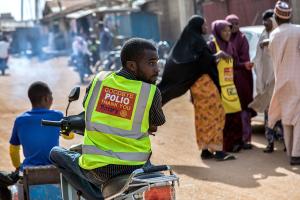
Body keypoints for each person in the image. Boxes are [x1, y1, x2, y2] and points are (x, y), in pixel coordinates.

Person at [50, 38, 166, 200]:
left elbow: (87, 107)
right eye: (151, 63)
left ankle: (96, 197)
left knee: (55, 153)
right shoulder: (151, 92)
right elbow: (156, 122)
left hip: (99, 170)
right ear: (132, 66)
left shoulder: (99, 80)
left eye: (156, 63)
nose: (156, 69)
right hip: (137, 166)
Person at [158, 16, 235, 161]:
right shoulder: (198, 41)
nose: (206, 27)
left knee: (202, 116)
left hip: (196, 86)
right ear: (198, 26)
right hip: (206, 85)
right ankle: (217, 150)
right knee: (215, 115)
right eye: (204, 24)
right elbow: (204, 62)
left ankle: (205, 149)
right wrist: (218, 55)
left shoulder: (187, 41)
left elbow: (197, 62)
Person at [9, 81, 73, 172]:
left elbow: (13, 149)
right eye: (51, 95)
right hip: (53, 170)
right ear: (46, 98)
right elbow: (69, 136)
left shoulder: (20, 120)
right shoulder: (57, 116)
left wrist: (17, 167)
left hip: (29, 171)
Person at [268, 1, 300, 165]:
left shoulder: (273, 35)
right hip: (298, 80)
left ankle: (291, 154)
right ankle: (296, 153)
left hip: (282, 82)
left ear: (276, 17)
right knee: (299, 118)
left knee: (287, 119)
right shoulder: (298, 30)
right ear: (290, 16)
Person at [249, 10, 283, 153]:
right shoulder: (263, 35)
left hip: (280, 80)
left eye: (267, 21)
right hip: (267, 81)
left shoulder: (281, 35)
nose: (265, 24)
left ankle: (286, 143)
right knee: (269, 115)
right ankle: (270, 143)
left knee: (282, 115)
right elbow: (258, 59)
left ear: (274, 21)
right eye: (263, 21)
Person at [208, 20, 243, 153]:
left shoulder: (231, 45)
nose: (228, 33)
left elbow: (235, 64)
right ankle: (223, 147)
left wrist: (244, 65)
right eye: (224, 31)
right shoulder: (212, 45)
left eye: (229, 31)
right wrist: (218, 56)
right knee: (222, 119)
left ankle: (235, 143)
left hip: (230, 87)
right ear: (217, 31)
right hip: (218, 87)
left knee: (235, 117)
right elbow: (207, 62)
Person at [225, 14, 255, 150]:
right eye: (232, 24)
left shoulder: (242, 39)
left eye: (237, 23)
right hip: (228, 80)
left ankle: (245, 138)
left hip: (241, 79)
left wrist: (235, 64)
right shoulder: (223, 39)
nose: (235, 26)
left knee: (243, 109)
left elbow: (243, 59)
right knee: (231, 111)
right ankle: (234, 140)